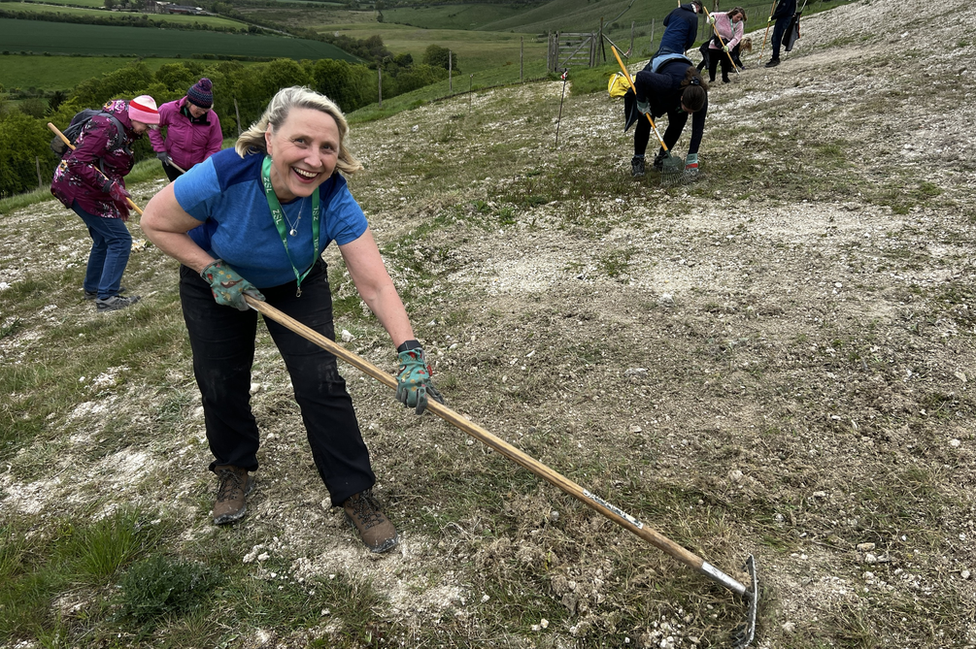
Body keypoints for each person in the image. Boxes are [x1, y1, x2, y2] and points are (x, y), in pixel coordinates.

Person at [140, 86, 443, 554]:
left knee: (321, 381)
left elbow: (377, 284)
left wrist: (410, 351)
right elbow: (155, 223)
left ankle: (354, 491)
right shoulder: (224, 173)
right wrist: (210, 269)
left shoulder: (335, 198)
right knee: (220, 378)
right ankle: (233, 467)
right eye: (302, 142)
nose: (314, 159)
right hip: (215, 280)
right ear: (270, 137)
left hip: (296, 282)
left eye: (328, 148)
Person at [51, 95, 159, 311]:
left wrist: (116, 192)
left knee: (103, 238)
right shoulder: (106, 128)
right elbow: (77, 162)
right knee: (120, 240)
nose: (146, 131)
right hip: (77, 188)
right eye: (146, 126)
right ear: (136, 117)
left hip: (89, 189)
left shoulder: (125, 128)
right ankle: (107, 297)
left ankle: (93, 287)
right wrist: (109, 187)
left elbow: (106, 163)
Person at [625, 61, 708, 180]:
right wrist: (642, 102)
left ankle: (662, 158)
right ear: (681, 98)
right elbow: (641, 76)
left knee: (678, 122)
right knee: (645, 121)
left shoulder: (701, 96)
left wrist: (692, 156)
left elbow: (698, 128)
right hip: (655, 91)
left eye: (692, 112)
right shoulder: (667, 83)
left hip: (676, 93)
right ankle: (638, 159)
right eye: (688, 109)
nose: (691, 113)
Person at [149, 78, 223, 182]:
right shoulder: (169, 110)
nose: (202, 113)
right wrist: (160, 149)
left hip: (197, 168)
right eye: (200, 109)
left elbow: (214, 146)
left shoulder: (212, 118)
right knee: (178, 194)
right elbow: (153, 126)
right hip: (173, 164)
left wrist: (203, 167)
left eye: (206, 110)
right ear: (190, 103)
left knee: (196, 194)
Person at [650, 1, 703, 73]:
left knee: (659, 62)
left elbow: (665, 22)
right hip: (678, 45)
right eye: (698, 11)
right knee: (671, 66)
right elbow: (692, 37)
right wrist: (686, 47)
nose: (697, 13)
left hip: (665, 41)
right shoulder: (693, 17)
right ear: (697, 7)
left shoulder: (677, 10)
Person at [699, 7, 747, 84]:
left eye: (740, 18)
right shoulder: (723, 16)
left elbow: (737, 37)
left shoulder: (740, 24)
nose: (738, 19)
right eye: (737, 17)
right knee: (713, 63)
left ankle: (725, 78)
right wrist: (712, 20)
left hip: (728, 43)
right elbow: (712, 15)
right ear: (733, 14)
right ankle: (712, 79)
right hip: (716, 42)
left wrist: (729, 46)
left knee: (726, 62)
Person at [765, 0, 797, 67]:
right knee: (774, 38)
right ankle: (775, 57)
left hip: (784, 19)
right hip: (783, 18)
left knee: (776, 38)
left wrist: (773, 17)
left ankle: (775, 58)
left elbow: (783, 9)